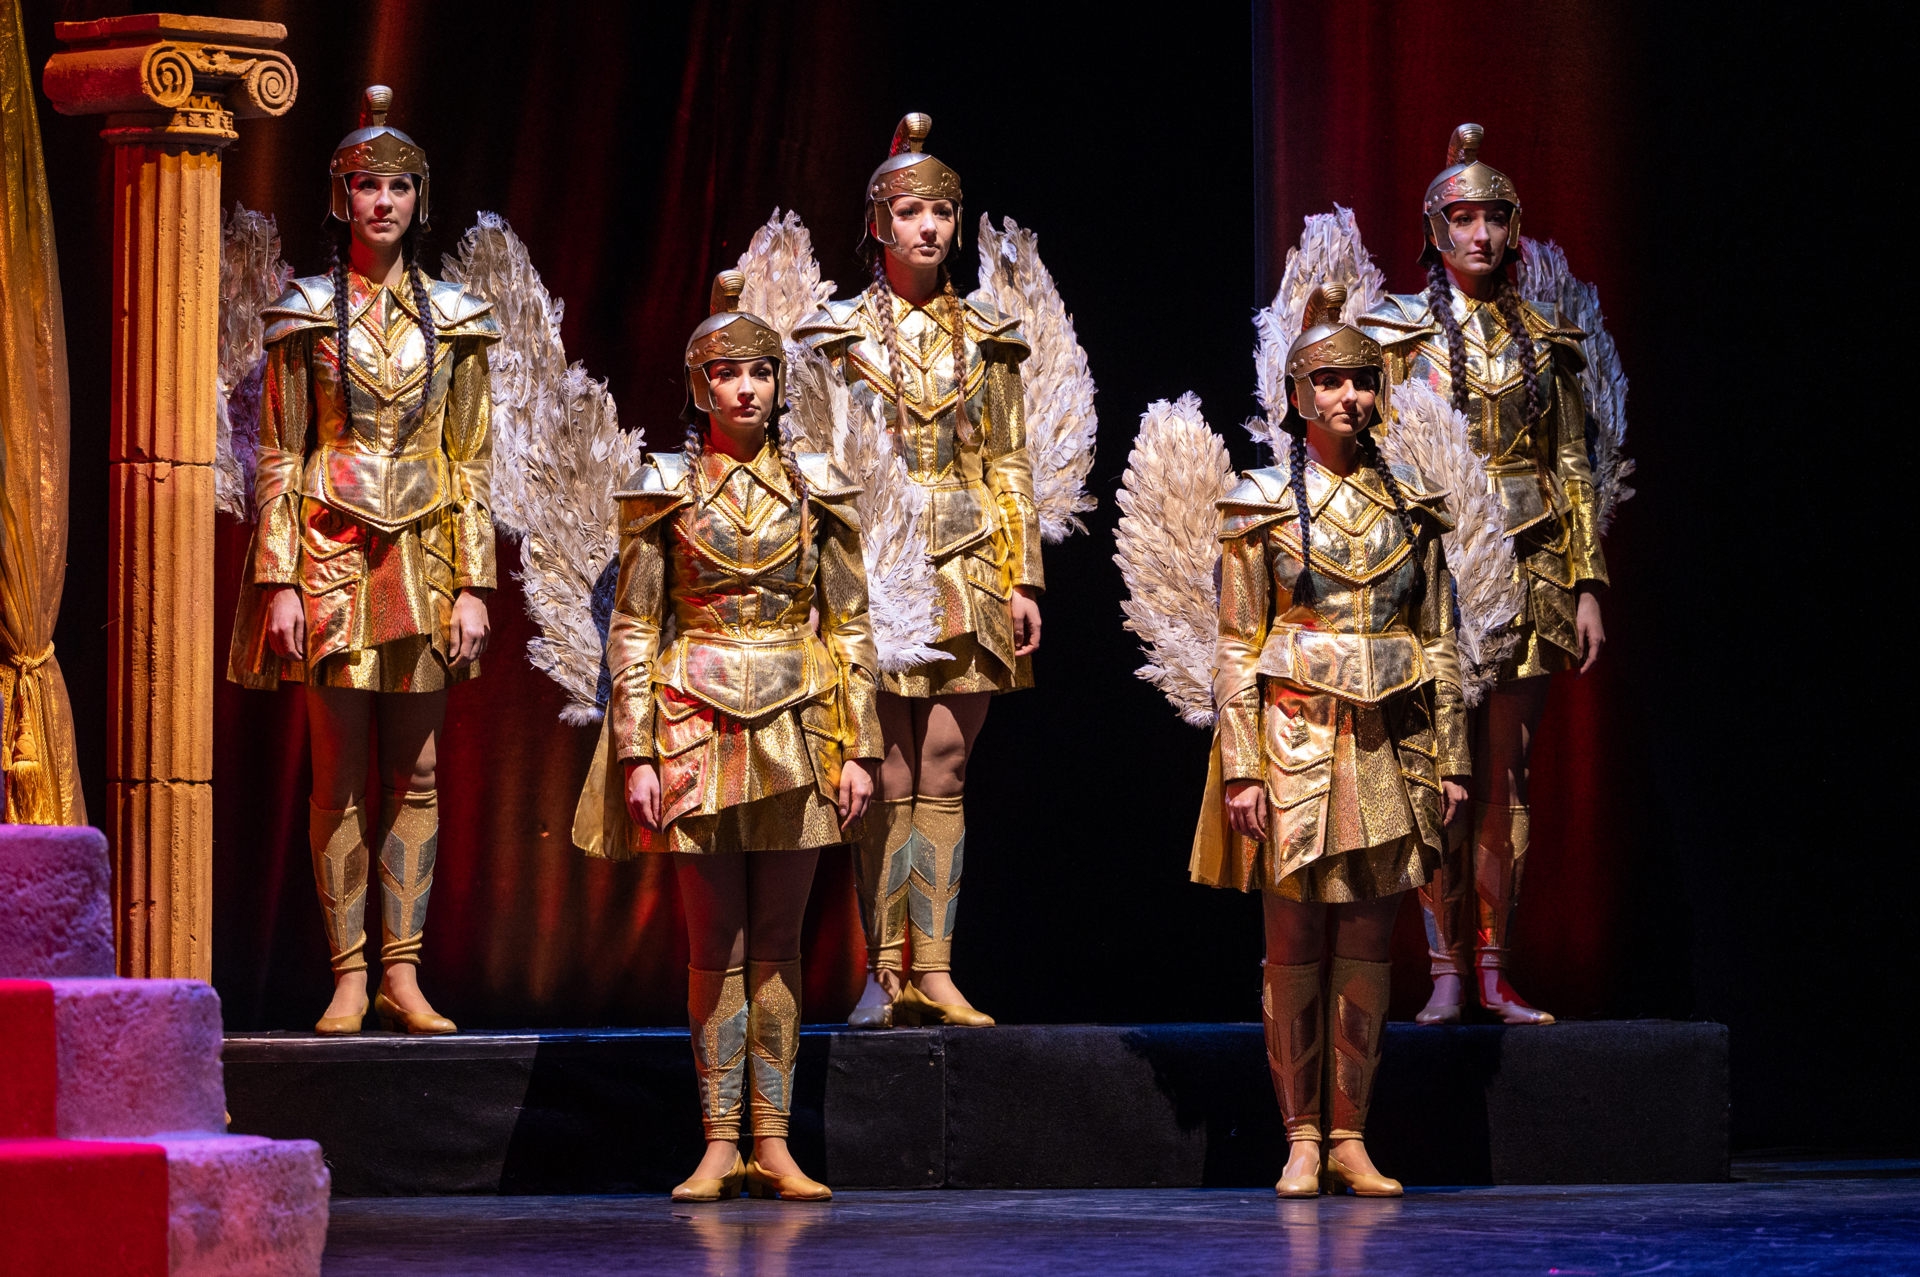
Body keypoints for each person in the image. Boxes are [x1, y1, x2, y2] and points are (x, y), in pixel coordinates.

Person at [573, 272, 882, 1202]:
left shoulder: (819, 487)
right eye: (727, 373)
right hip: (692, 721)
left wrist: (860, 745)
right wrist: (635, 750)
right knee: (716, 939)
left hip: (798, 718)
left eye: (760, 372)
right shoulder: (663, 490)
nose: (746, 387)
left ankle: (775, 1141)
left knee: (779, 938)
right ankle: (717, 1141)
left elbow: (850, 624)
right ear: (699, 385)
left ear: (779, 383)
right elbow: (635, 625)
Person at [228, 86, 499, 1036]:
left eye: (398, 186)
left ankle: (403, 972)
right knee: (337, 773)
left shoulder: (458, 317)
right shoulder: (306, 311)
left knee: (417, 773)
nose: (382, 201)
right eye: (366, 185)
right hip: (329, 551)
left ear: (420, 199)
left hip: (424, 552)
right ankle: (348, 974)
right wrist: (278, 580)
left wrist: (474, 584)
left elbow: (471, 458)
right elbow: (280, 450)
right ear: (340, 197)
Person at [1193, 286, 1470, 1197]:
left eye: (1362, 379)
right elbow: (1236, 645)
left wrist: (1453, 757)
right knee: (1293, 935)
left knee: (1366, 934)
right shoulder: (1262, 505)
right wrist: (1242, 766)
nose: (1351, 395)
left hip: (1391, 741)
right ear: (1297, 395)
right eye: (1331, 380)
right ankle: (1300, 1136)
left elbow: (1440, 640)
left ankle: (1350, 1133)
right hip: (1294, 738)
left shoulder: (1413, 504)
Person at [795, 114, 1041, 1029]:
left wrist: (1024, 576)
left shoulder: (989, 335)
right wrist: (819, 583)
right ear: (878, 224)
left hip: (969, 558)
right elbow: (816, 460)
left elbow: (1009, 460)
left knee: (946, 762)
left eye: (941, 212)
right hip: (876, 559)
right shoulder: (835, 334)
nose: (928, 227)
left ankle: (934, 969)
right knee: (887, 766)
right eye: (909, 212)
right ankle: (881, 972)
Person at [1360, 125, 1609, 1026]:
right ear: (1436, 230)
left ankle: (1496, 968)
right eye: (1463, 218)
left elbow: (1574, 466)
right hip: (1435, 569)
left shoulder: (1547, 339)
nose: (1481, 234)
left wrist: (1587, 583)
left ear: (1514, 229)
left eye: (1494, 218)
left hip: (1532, 564)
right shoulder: (1394, 333)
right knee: (1438, 768)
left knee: (1508, 775)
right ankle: (1444, 970)